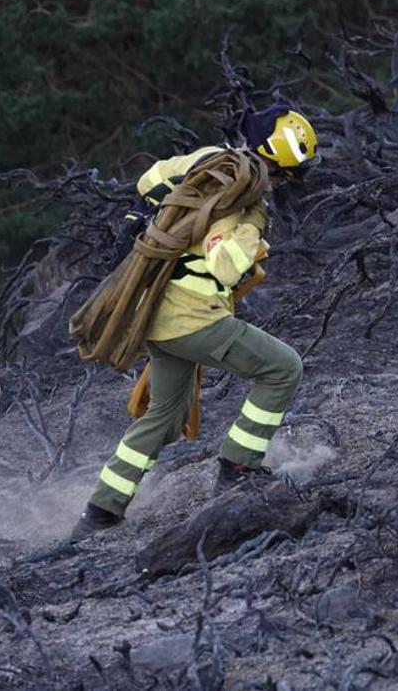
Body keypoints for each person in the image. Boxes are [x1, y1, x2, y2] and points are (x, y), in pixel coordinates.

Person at [69, 105, 321, 541]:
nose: (281, 186)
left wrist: (138, 215)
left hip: (157, 316)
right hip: (193, 320)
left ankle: (100, 512)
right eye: (284, 176)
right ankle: (237, 466)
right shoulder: (240, 201)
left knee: (164, 414)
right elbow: (226, 268)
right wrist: (252, 229)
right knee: (284, 368)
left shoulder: (206, 160)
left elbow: (151, 179)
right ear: (275, 166)